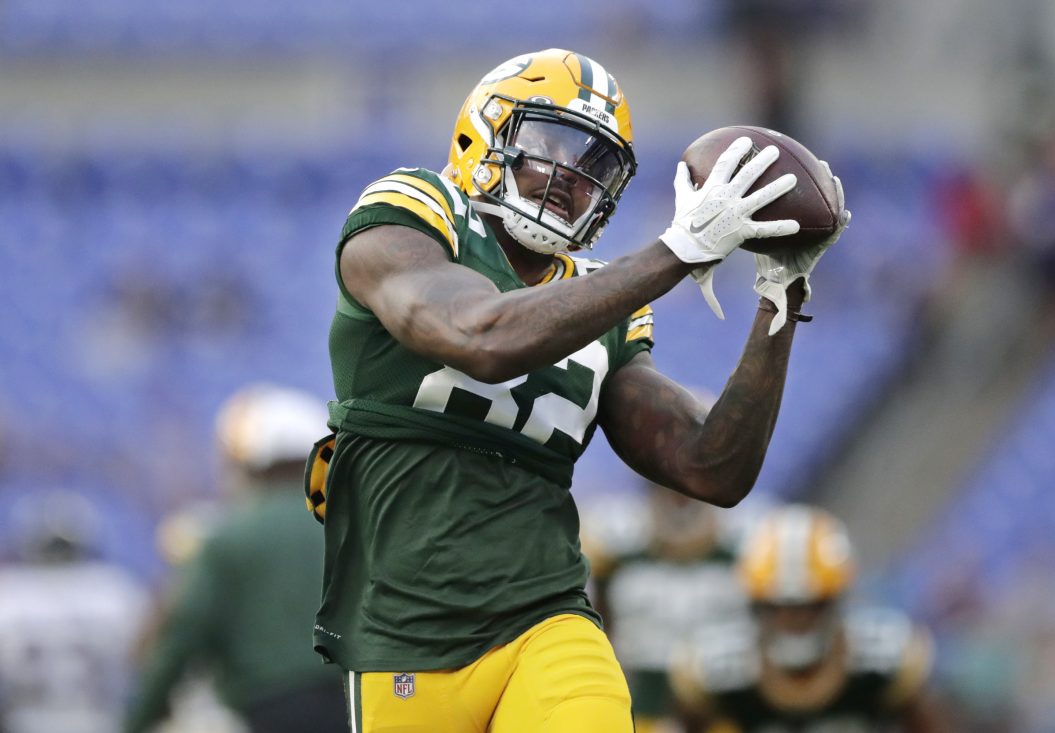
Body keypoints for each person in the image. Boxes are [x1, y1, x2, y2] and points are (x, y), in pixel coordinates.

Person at [308, 48, 849, 733]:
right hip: (400, 630)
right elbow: (480, 337)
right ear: (484, 135)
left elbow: (711, 467)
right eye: (553, 146)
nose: (572, 176)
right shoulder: (416, 212)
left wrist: (781, 296)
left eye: (595, 165)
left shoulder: (603, 302)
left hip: (545, 616)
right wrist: (676, 251)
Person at [125, 384, 345, 733]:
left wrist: (139, 718)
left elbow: (183, 636)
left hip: (271, 708)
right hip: (357, 697)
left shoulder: (226, 538)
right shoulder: (356, 528)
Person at [671, 504, 952, 732]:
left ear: (834, 601)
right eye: (779, 607)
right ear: (757, 606)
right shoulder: (717, 670)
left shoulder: (884, 662)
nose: (794, 619)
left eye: (811, 606)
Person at [582, 483, 751, 732]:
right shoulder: (614, 541)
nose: (680, 500)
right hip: (636, 712)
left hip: (725, 717)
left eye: (691, 489)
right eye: (671, 488)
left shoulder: (748, 543)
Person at [0, 491, 150, 733]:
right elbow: (144, 657)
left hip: (26, 723)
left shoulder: (9, 593)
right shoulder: (115, 590)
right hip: (101, 722)